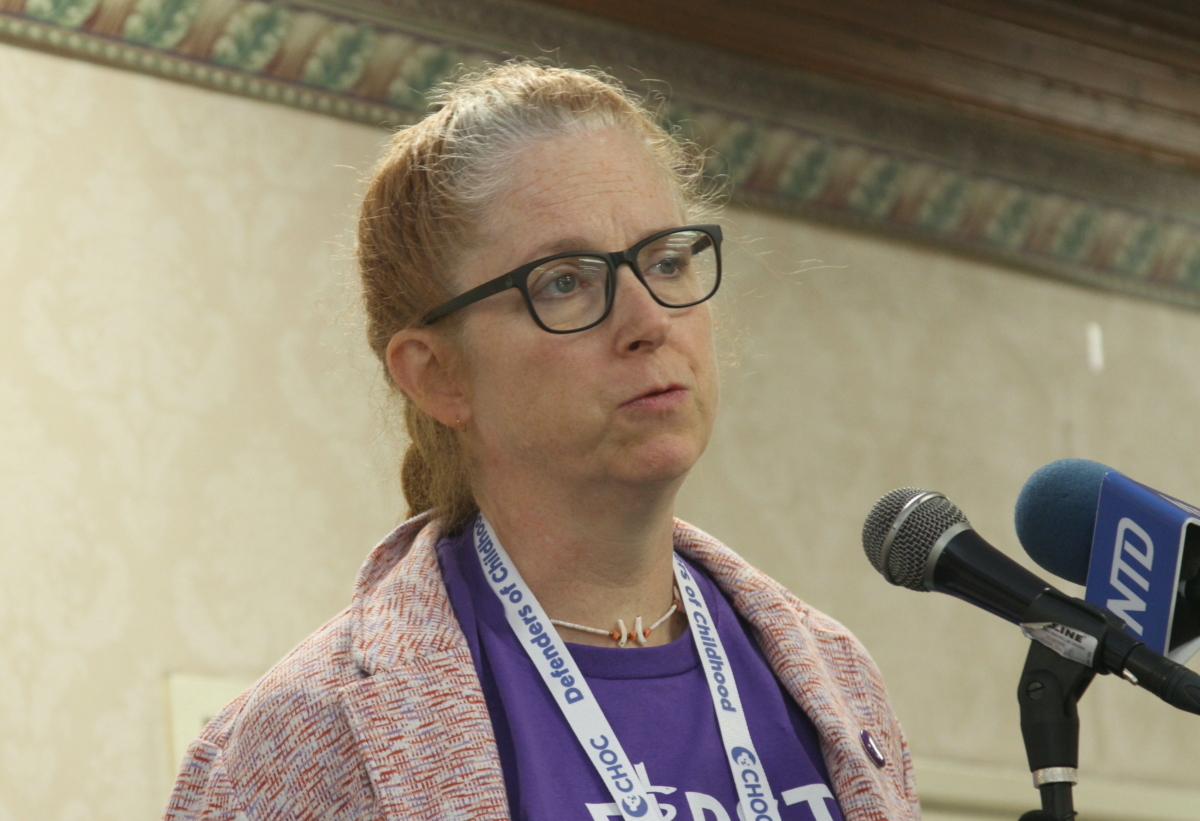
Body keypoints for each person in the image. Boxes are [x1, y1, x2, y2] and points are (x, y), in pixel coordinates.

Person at [166, 62, 919, 820]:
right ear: (437, 375)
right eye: (566, 280)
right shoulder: (301, 740)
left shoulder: (835, 677)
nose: (649, 321)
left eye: (666, 261)